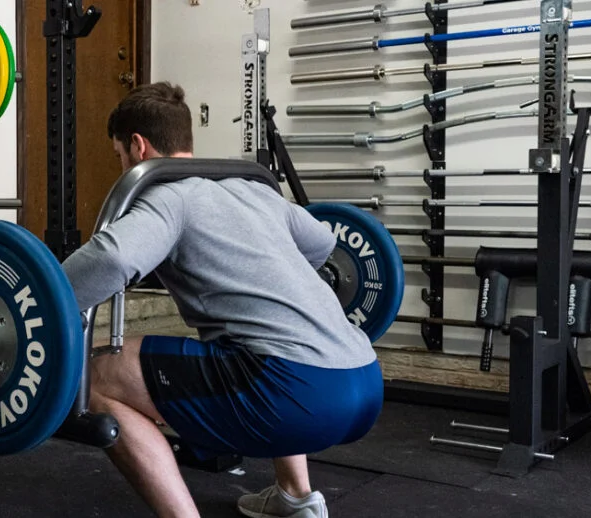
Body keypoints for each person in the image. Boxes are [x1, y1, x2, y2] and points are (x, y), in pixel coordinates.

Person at [60, 82, 384, 518]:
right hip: (364, 379)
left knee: (97, 376)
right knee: (262, 341)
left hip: (295, 392)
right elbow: (324, 244)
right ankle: (295, 496)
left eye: (119, 155)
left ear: (138, 146)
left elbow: (112, 259)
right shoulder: (250, 189)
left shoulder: (169, 197)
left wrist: (37, 302)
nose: (121, 165)